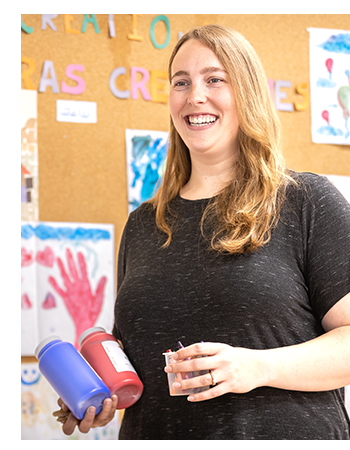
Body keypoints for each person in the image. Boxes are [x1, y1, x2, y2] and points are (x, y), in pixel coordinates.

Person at [55, 24, 350, 439]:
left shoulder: (305, 201)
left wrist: (258, 366)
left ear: (246, 91)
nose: (195, 95)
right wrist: (102, 392)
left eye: (215, 79)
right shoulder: (144, 224)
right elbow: (138, 363)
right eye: (181, 82)